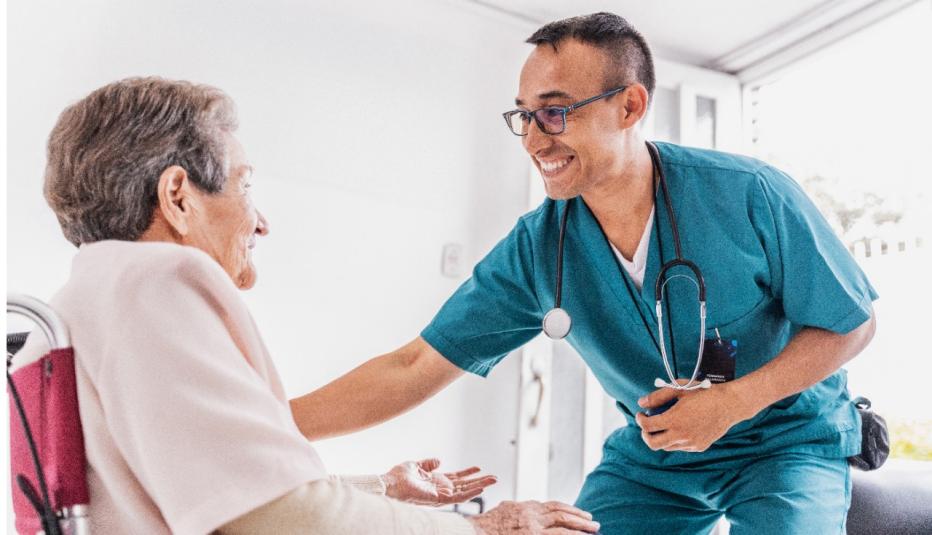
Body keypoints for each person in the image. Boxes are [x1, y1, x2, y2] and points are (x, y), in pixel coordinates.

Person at [289, 12, 879, 535]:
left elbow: (851, 324)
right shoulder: (539, 248)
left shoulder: (747, 193)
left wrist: (735, 403)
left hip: (786, 440)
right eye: (523, 116)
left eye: (553, 112)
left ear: (630, 106)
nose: (533, 138)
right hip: (657, 458)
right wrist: (262, 425)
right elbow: (414, 365)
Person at [22, 76, 600, 535]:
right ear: (178, 197)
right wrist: (485, 531)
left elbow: (216, 493)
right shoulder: (159, 282)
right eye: (244, 186)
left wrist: (381, 491)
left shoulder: (82, 300)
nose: (261, 221)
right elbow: (276, 519)